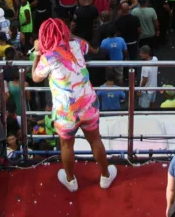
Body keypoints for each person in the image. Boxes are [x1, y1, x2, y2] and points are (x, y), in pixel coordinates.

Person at [31, 18, 117, 192]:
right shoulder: (76, 45)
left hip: (65, 112)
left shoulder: (48, 58)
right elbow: (87, 46)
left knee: (66, 146)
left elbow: (35, 77)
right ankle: (105, 176)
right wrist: (69, 35)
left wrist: (37, 54)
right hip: (88, 105)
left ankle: (71, 181)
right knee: (95, 140)